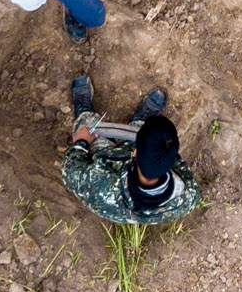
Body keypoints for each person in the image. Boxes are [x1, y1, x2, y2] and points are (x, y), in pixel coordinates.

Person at [63, 78, 200, 224]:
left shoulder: (99, 184)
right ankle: (140, 121)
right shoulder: (188, 195)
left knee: (88, 128)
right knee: (149, 139)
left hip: (108, 160)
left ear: (134, 152)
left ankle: (85, 113)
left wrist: (80, 143)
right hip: (139, 164)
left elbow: (70, 171)